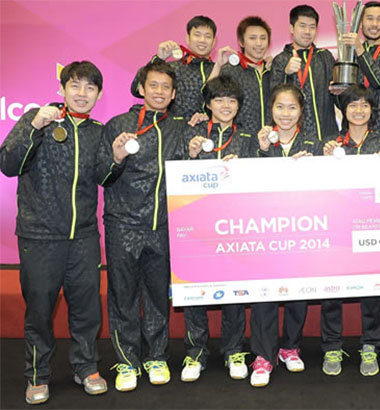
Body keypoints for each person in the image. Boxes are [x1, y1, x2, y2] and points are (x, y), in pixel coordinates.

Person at [0, 61, 107, 405]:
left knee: (87, 309)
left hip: (84, 237)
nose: (82, 93)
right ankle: (37, 375)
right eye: (75, 85)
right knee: (39, 310)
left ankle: (86, 367)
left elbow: (106, 176)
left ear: (98, 94)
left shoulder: (97, 131)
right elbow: (8, 164)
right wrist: (33, 126)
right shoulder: (38, 119)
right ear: (62, 89)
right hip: (40, 236)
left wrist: (118, 158)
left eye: (90, 88)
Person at [97, 61, 196, 392]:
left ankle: (156, 357)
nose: (159, 92)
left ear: (174, 94)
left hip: (162, 226)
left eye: (166, 87)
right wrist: (116, 158)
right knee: (123, 296)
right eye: (153, 85)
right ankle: (127, 361)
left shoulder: (180, 128)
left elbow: (190, 175)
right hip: (123, 225)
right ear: (141, 89)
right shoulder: (118, 125)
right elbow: (101, 175)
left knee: (156, 296)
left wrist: (195, 155)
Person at [181, 75, 256, 383]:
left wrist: (244, 168)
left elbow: (261, 179)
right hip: (196, 224)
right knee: (193, 291)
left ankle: (234, 350)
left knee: (234, 292)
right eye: (219, 100)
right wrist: (190, 156)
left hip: (234, 224)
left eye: (232, 100)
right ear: (208, 105)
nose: (226, 105)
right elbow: (173, 172)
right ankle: (195, 351)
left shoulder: (248, 137)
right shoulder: (191, 133)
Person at [249, 83, 321, 387]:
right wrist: (263, 152)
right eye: (280, 107)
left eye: (292, 107)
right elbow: (245, 181)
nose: (286, 113)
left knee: (298, 293)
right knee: (264, 293)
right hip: (266, 229)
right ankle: (263, 355)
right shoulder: (258, 140)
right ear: (271, 110)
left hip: (302, 229)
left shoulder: (315, 144)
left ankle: (290, 347)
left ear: (301, 111)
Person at [321, 84, 380, 377]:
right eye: (352, 105)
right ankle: (332, 346)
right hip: (336, 229)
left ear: (372, 110)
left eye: (364, 105)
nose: (359, 110)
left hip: (371, 230)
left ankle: (370, 345)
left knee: (371, 292)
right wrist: (318, 160)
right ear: (343, 110)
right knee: (331, 292)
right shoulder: (330, 145)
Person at [130, 15, 218, 122]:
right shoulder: (172, 68)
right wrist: (159, 59)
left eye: (207, 36)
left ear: (214, 42)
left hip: (207, 130)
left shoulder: (219, 70)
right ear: (188, 38)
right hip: (172, 129)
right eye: (197, 35)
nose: (202, 40)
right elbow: (137, 89)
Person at [338, 1, 380, 140]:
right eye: (369, 18)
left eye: (379, 19)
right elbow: (341, 100)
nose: (375, 24)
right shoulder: (347, 55)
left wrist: (359, 49)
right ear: (360, 23)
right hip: (351, 131)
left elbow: (378, 80)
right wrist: (336, 91)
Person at [271, 5, 338, 141]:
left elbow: (338, 98)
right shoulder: (281, 59)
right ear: (292, 28)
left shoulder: (325, 57)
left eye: (312, 27)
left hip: (326, 136)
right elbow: (273, 97)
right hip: (295, 140)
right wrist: (286, 73)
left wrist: (338, 90)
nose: (307, 31)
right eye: (302, 26)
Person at [217, 16, 273, 136]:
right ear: (241, 42)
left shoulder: (274, 70)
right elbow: (213, 100)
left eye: (263, 38)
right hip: (240, 139)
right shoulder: (230, 71)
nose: (259, 43)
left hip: (271, 139)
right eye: (252, 38)